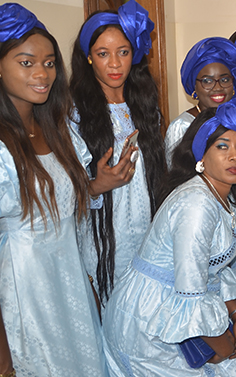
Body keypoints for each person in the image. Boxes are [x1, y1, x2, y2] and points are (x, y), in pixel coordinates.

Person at [101, 96, 236, 376]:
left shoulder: (220, 196)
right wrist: (225, 348)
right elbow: (190, 290)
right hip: (151, 320)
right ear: (201, 155)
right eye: (222, 146)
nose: (235, 156)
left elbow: (215, 269)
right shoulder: (197, 205)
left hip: (172, 309)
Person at [0, 4, 106, 375]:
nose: (42, 73)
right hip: (27, 298)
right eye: (26, 63)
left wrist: (88, 283)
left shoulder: (60, 132)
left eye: (49, 62)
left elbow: (69, 220)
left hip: (72, 289)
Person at [70, 0, 168, 306]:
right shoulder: (74, 114)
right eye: (103, 54)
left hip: (149, 232)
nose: (114, 64)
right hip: (104, 239)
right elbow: (60, 193)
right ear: (88, 57)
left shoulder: (146, 105)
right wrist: (97, 185)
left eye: (123, 52)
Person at [165, 37, 236, 165]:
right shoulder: (182, 126)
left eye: (225, 80)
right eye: (207, 81)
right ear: (194, 86)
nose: (218, 87)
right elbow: (175, 175)